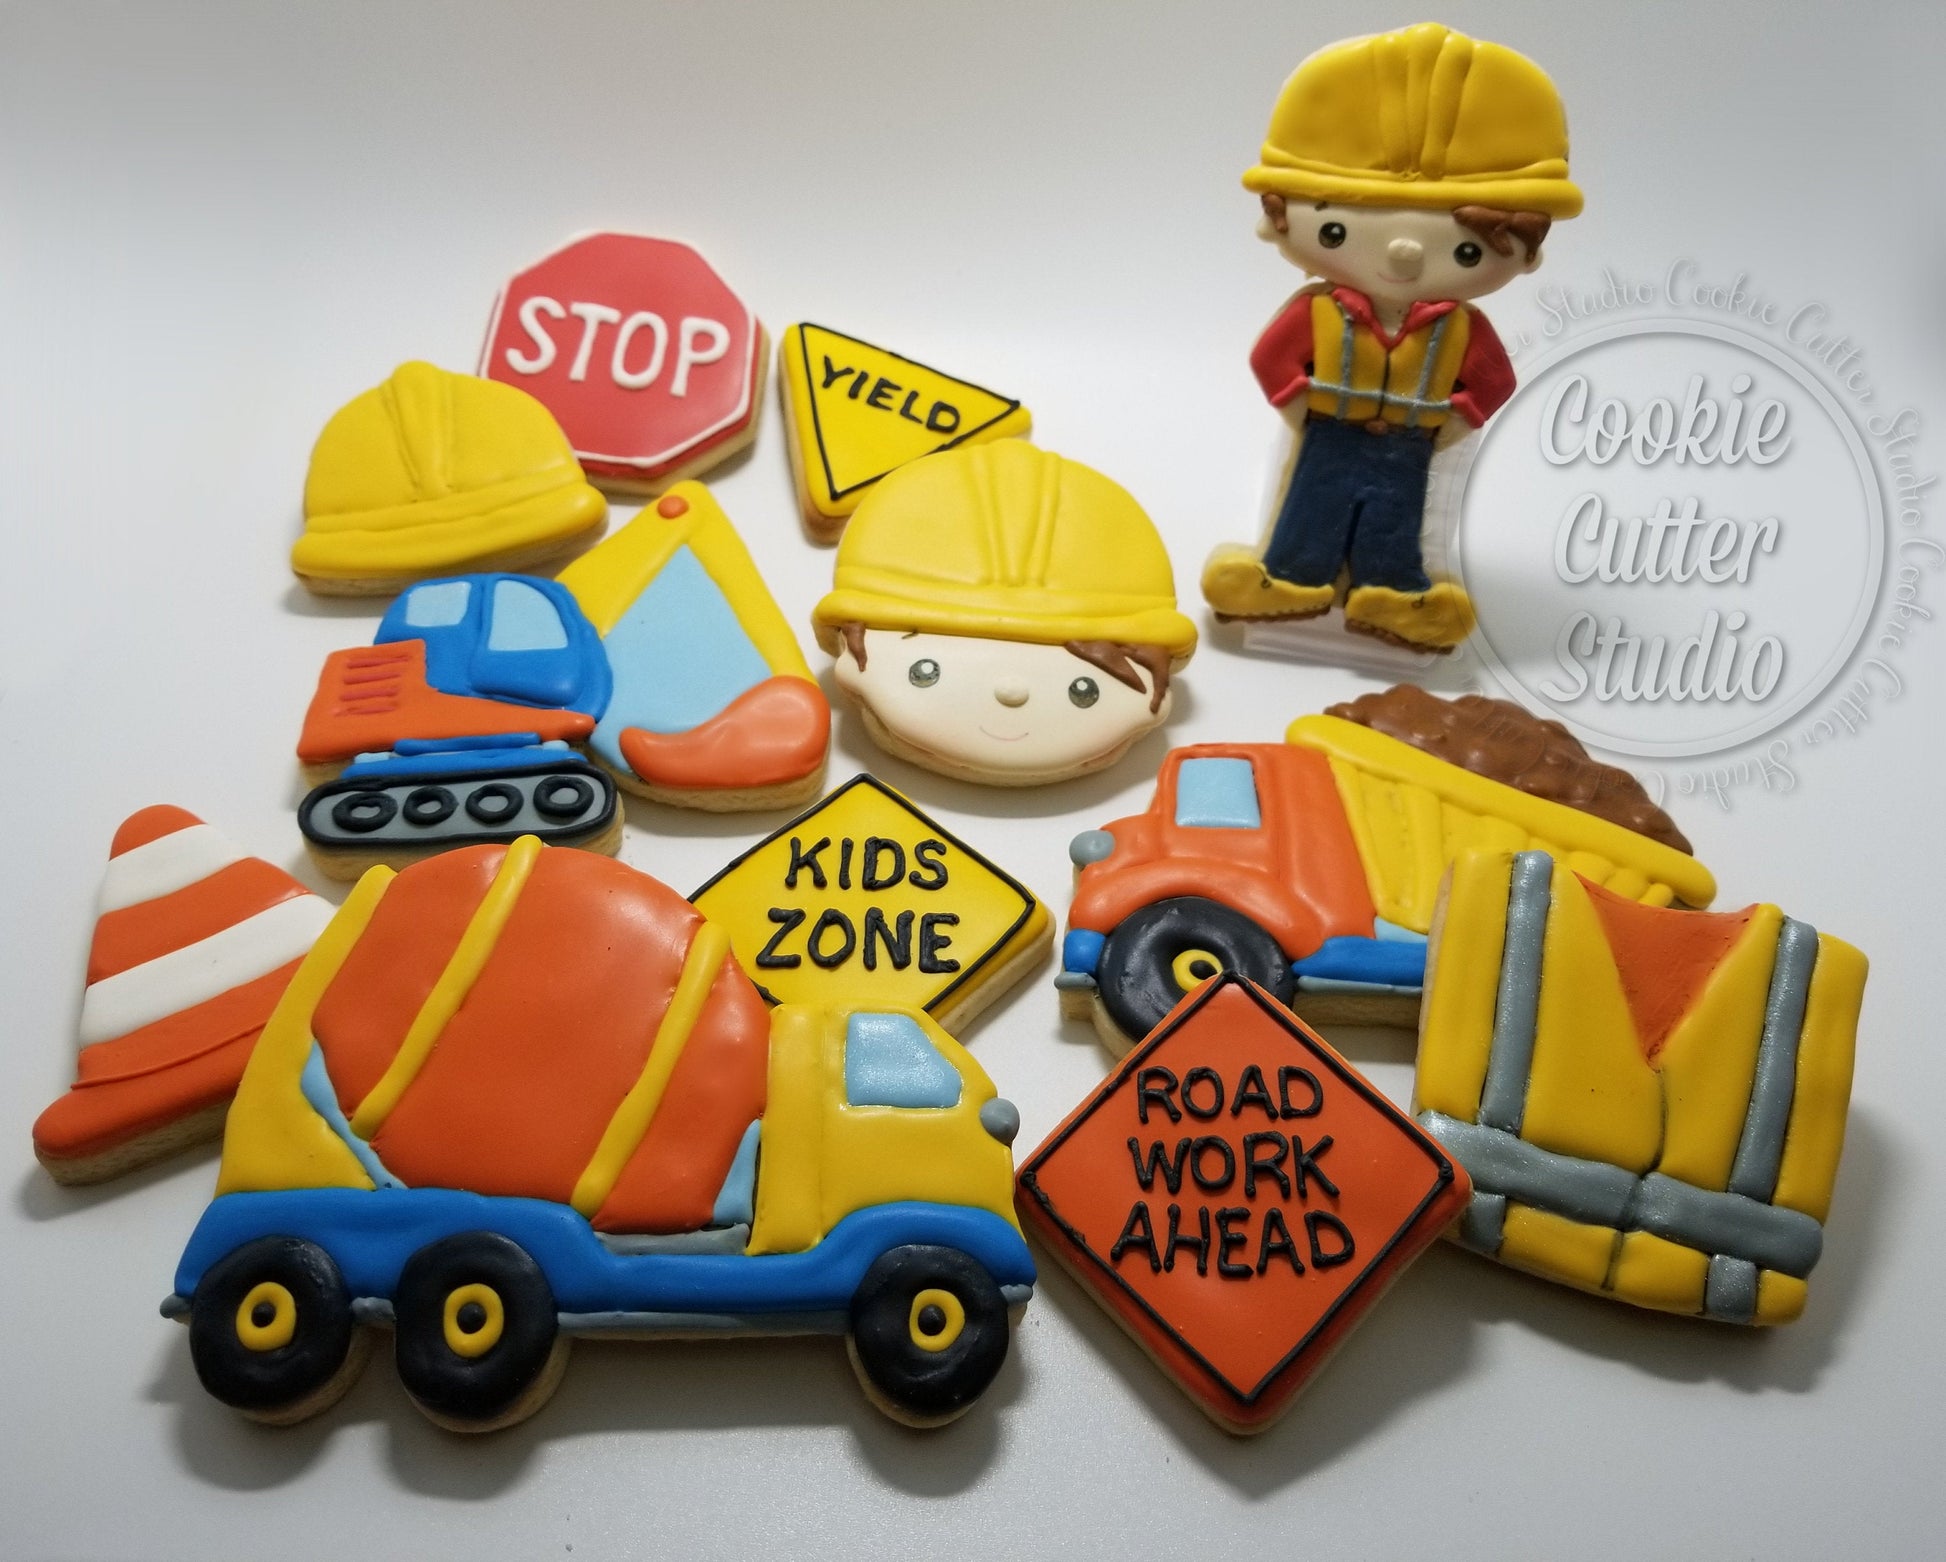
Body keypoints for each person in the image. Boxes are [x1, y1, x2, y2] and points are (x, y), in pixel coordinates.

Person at [1202, 23, 1583, 652]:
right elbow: (1272, 357)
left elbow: (1493, 379)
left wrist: (1457, 419)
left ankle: (1396, 593)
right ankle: (1290, 578)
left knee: (1396, 521)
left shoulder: (1460, 329)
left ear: (1528, 250)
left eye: (1465, 251)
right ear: (1277, 219)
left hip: (1411, 443)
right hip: (1328, 431)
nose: (1403, 254)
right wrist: (1295, 403)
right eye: (1336, 233)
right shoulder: (1319, 312)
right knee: (1311, 508)